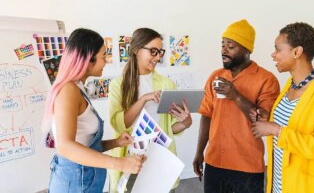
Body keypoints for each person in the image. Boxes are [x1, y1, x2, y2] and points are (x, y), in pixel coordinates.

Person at [42, 28, 145, 193]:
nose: (106, 62)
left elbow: (85, 144)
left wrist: (116, 142)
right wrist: (119, 163)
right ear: (88, 59)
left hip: (84, 180)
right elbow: (66, 147)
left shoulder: (78, 88)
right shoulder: (68, 90)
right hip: (75, 184)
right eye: (103, 57)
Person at [249, 22, 314, 193]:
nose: (273, 55)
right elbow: (291, 124)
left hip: (308, 187)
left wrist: (276, 129)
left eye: (278, 49)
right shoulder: (290, 85)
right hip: (280, 184)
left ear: (297, 52)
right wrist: (269, 119)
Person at [193, 19, 280, 193]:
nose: (224, 50)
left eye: (230, 46)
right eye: (222, 45)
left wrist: (236, 96)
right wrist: (199, 152)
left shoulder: (266, 79)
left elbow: (264, 119)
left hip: (247, 166)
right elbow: (207, 115)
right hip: (214, 162)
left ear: (247, 49)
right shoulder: (215, 76)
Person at [109, 28, 192, 192]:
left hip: (162, 158)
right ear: (136, 50)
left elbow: (170, 129)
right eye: (153, 51)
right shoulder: (118, 85)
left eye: (160, 52)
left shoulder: (167, 84)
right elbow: (120, 125)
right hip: (133, 160)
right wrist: (143, 100)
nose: (158, 57)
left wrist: (185, 123)